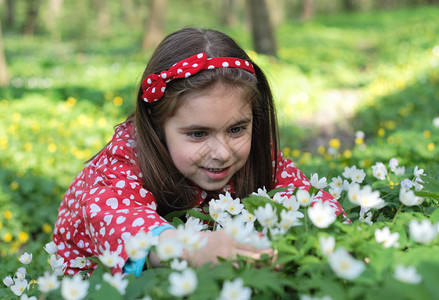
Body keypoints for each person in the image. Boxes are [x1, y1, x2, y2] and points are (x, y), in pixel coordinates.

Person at [53, 27, 344, 276]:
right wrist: (194, 249)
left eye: (236, 129)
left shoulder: (257, 152)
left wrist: (341, 242)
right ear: (157, 125)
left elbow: (308, 199)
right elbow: (126, 225)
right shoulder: (119, 165)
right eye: (198, 133)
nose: (221, 152)